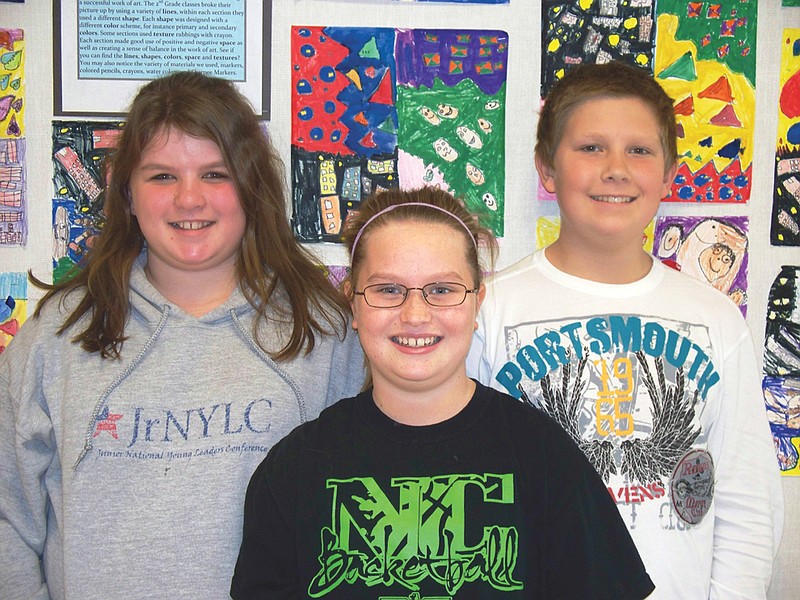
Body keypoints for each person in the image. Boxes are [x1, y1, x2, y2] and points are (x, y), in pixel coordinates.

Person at [0, 71, 364, 599]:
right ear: (126, 194)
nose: (189, 200)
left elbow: (364, 506)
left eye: (215, 175)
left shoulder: (325, 333)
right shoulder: (57, 336)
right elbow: (9, 517)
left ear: (251, 188)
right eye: (162, 176)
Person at [231, 187, 655, 599]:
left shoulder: (541, 455)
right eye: (388, 290)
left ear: (476, 303)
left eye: (442, 290)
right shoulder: (295, 469)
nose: (415, 314)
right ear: (354, 304)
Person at [467, 61, 783, 598]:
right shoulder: (487, 310)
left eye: (639, 150)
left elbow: (747, 499)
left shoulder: (717, 318)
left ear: (667, 174)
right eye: (591, 148)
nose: (616, 169)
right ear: (546, 169)